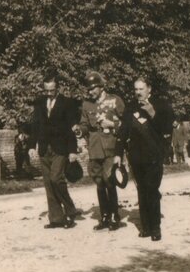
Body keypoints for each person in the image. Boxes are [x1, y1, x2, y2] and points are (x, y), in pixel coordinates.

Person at [115, 77, 174, 241]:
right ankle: (146, 227)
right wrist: (117, 154)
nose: (138, 92)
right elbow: (123, 132)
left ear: (149, 89)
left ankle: (156, 228)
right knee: (142, 190)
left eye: (141, 89)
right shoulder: (130, 107)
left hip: (154, 156)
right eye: (135, 89)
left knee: (152, 190)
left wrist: (152, 113)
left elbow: (167, 129)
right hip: (136, 157)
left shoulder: (161, 105)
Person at [75, 71, 125, 231]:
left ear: (101, 86)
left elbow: (126, 124)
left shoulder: (115, 100)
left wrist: (112, 124)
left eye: (92, 89)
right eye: (88, 89)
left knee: (109, 180)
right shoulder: (86, 104)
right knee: (99, 182)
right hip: (95, 148)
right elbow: (84, 124)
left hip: (111, 146)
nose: (90, 92)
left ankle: (114, 216)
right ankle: (104, 216)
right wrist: (79, 131)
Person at [28, 74, 79, 229]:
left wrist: (72, 150)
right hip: (44, 148)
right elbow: (35, 126)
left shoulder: (67, 103)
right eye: (47, 90)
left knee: (56, 178)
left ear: (58, 88)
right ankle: (56, 218)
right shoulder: (39, 103)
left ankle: (70, 210)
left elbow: (72, 128)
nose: (49, 93)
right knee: (48, 183)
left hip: (60, 148)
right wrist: (31, 146)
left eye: (52, 90)